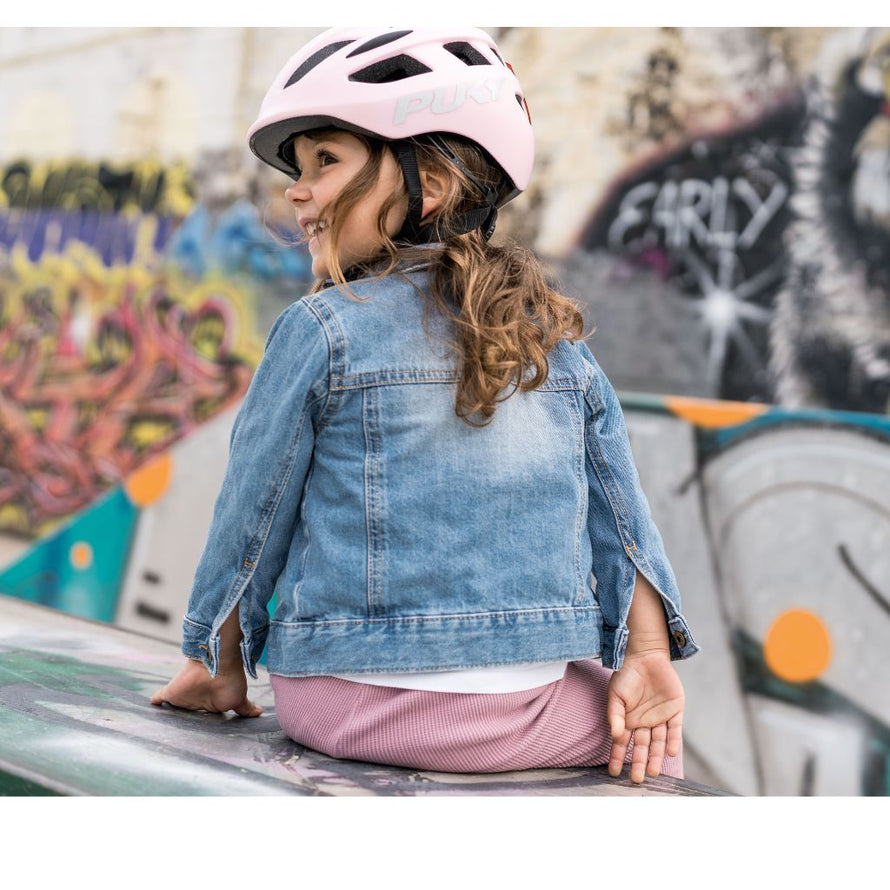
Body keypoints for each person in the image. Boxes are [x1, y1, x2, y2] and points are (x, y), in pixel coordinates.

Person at [151, 27, 699, 785]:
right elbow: (620, 511)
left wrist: (215, 658)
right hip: (526, 717)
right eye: (299, 168)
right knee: (647, 742)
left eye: (325, 161)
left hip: (348, 706)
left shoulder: (320, 326)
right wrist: (645, 658)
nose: (295, 189)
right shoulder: (552, 336)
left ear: (430, 183)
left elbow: (254, 510)